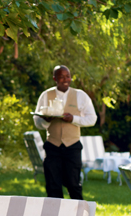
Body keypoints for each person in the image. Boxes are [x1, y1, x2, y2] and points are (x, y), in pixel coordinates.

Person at [33, 65, 98, 199]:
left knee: (74, 185)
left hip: (72, 147)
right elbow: (37, 122)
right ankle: (55, 212)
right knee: (53, 186)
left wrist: (73, 119)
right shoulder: (46, 95)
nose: (65, 79)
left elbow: (92, 119)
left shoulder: (80, 95)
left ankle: (78, 211)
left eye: (68, 76)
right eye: (61, 77)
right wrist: (47, 121)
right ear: (55, 79)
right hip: (52, 147)